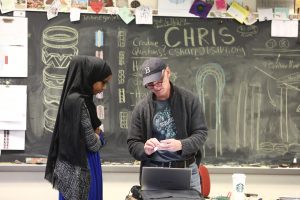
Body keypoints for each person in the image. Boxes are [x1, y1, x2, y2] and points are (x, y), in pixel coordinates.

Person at [127, 57, 208, 193]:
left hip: (186, 170)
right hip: (154, 172)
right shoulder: (141, 108)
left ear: (168, 72)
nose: (156, 87)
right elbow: (133, 143)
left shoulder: (189, 101)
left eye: (159, 82)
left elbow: (201, 133)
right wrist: (145, 149)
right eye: (151, 85)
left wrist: (182, 145)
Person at [44, 55, 112, 200]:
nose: (104, 88)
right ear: (90, 77)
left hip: (73, 167)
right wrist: (99, 135)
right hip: (82, 167)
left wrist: (97, 134)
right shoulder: (80, 103)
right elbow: (93, 144)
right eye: (103, 82)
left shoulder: (74, 99)